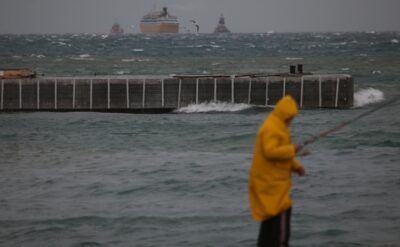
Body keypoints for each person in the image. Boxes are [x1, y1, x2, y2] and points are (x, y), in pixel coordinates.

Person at [248, 95, 305, 247]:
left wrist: (296, 166)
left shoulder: (277, 125)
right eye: (290, 117)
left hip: (270, 184)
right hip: (272, 186)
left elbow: (281, 155)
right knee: (281, 223)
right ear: (285, 114)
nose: (291, 120)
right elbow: (271, 151)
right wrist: (293, 149)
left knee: (269, 225)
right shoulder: (272, 128)